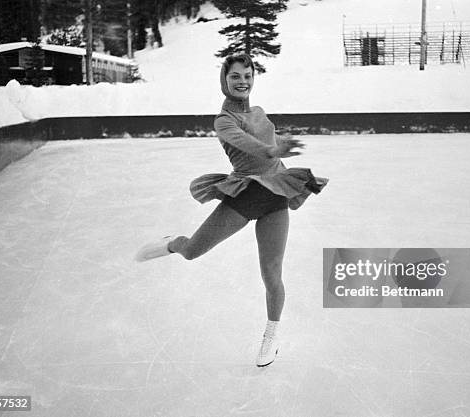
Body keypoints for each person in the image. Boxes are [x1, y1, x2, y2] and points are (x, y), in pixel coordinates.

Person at [136, 53, 328, 367]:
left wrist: (280, 146)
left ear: (254, 78)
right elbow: (249, 145)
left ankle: (271, 335)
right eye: (235, 76)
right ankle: (173, 243)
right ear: (224, 80)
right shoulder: (224, 121)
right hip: (245, 194)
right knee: (193, 251)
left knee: (272, 272)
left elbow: (268, 141)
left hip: (276, 193)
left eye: (247, 75)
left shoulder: (260, 112)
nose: (242, 81)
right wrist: (271, 149)